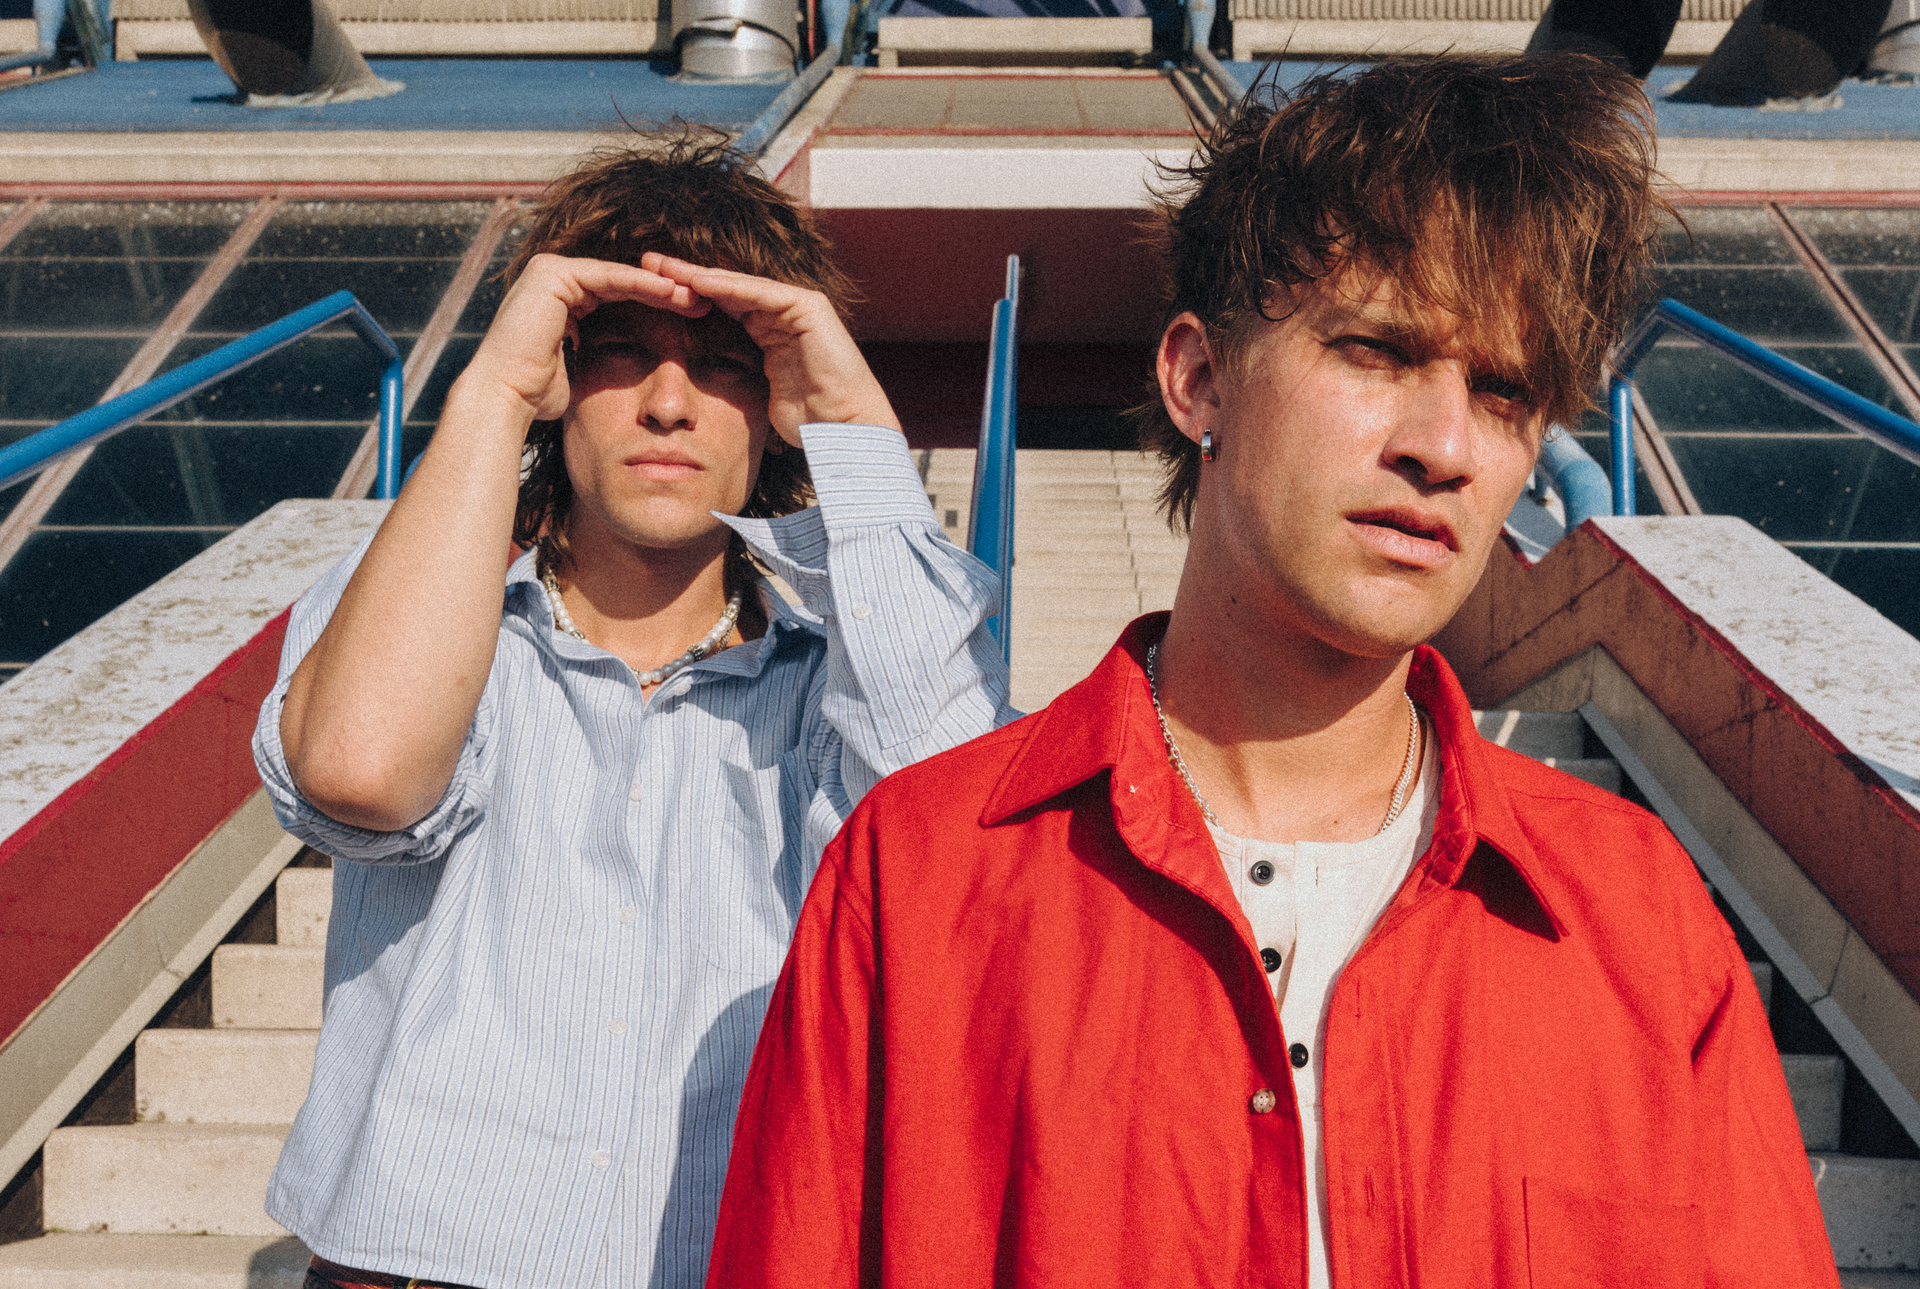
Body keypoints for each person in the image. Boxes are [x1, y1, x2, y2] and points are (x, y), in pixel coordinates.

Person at [705, 55, 1839, 1288]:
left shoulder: (1641, 920)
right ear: (1199, 378)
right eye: (1379, 351)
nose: (1445, 445)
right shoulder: (919, 880)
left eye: (1505, 392)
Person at [251, 134, 1012, 1289]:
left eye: (723, 363)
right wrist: (495, 391)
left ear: (776, 403)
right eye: (620, 352)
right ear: (559, 376)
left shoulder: (853, 663)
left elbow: (956, 836)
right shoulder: (429, 618)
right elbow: (360, 770)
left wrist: (858, 424)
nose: (668, 403)